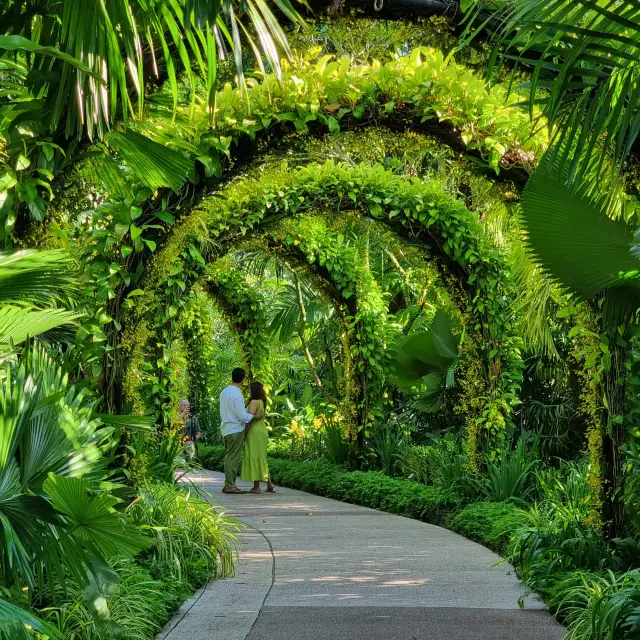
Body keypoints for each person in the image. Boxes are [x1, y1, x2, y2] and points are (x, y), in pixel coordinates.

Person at [219, 368, 263, 494]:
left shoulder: (224, 392)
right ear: (243, 380)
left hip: (226, 429)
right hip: (235, 430)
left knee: (229, 457)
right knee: (232, 459)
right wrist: (255, 417)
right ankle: (230, 485)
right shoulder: (237, 394)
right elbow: (242, 416)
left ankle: (229, 484)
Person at [241, 381, 275, 494]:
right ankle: (269, 483)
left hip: (254, 432)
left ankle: (256, 487)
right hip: (262, 431)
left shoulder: (254, 402)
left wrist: (244, 434)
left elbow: (249, 419)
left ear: (253, 390)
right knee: (261, 458)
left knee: (254, 456)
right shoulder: (261, 401)